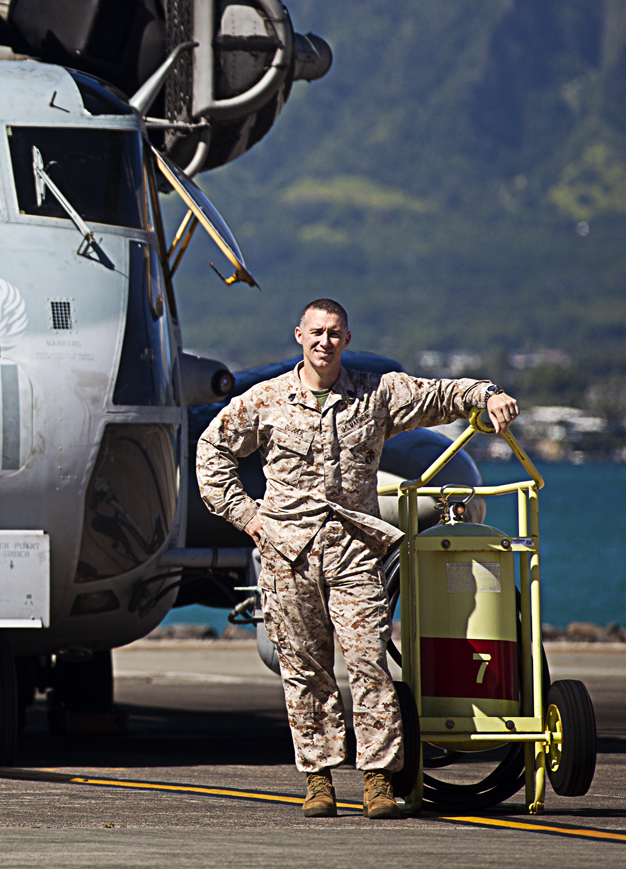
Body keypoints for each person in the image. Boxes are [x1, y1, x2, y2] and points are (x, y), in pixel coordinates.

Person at [195, 297, 519, 821]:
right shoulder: (267, 401)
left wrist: (489, 395)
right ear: (299, 335)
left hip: (354, 550)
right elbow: (212, 451)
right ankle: (318, 781)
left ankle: (377, 780)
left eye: (335, 333)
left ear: (347, 339)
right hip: (288, 553)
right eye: (316, 332)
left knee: (369, 661)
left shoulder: (375, 395)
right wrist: (248, 517)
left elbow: (439, 395)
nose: (325, 342)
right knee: (303, 669)